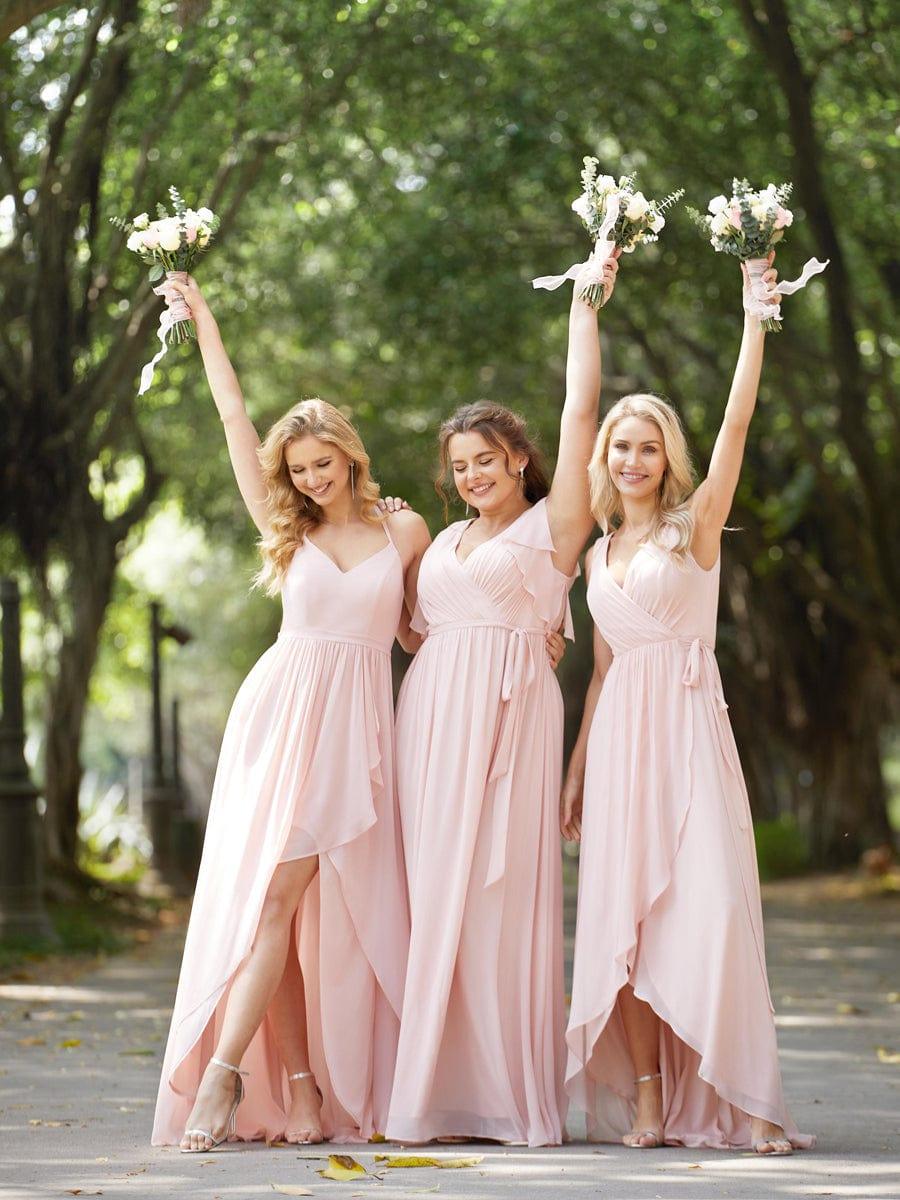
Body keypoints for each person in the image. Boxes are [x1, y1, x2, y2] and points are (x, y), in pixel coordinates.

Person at [150, 276, 429, 1151]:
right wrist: (205, 323)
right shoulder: (288, 528)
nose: (310, 479)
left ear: (350, 455)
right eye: (298, 469)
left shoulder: (405, 530)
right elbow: (235, 418)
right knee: (275, 905)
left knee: (296, 913)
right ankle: (257, 1086)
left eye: (322, 464)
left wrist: (535, 625)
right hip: (280, 717)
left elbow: (426, 628)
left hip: (355, 728)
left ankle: (255, 1085)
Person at [562, 254, 814, 1154]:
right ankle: (647, 1104)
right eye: (619, 445)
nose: (631, 458)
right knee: (622, 921)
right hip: (622, 735)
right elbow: (596, 672)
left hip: (688, 729)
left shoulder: (694, 525)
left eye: (647, 445)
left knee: (711, 911)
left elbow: (739, 422)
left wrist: (756, 314)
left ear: (668, 455)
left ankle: (748, 1102)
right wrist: (578, 768)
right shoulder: (593, 557)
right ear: (605, 458)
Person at [384, 253, 620, 1147]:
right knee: (429, 896)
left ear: (519, 458)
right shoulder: (440, 538)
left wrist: (585, 305)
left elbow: (582, 412)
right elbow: (411, 633)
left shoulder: (553, 527)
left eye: (487, 458)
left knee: (498, 902)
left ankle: (506, 1097)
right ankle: (428, 1092)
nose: (475, 474)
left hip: (511, 725)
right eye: (461, 465)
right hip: (428, 724)